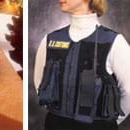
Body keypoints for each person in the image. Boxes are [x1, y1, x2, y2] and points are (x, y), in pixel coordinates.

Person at [34, 0, 130, 129]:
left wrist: (107, 122)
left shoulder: (114, 42)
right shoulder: (50, 39)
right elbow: (39, 83)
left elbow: (128, 92)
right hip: (55, 123)